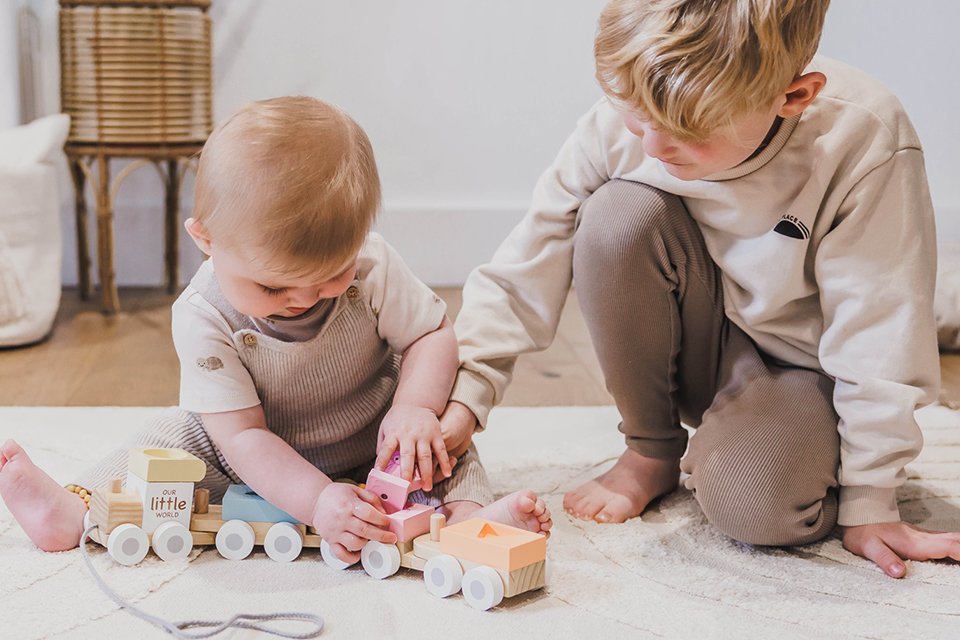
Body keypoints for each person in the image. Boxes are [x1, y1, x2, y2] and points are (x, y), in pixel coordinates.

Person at [437, 0, 960, 577]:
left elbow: (879, 328)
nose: (653, 146)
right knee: (615, 214)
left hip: (807, 371)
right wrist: (465, 395)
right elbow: (528, 260)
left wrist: (869, 499)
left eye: (690, 132)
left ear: (794, 97)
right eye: (637, 116)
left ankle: (788, 448)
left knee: (756, 508)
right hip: (701, 340)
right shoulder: (630, 121)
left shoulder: (863, 139)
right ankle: (650, 450)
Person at [0, 97, 551, 561]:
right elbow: (241, 436)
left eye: (332, 275)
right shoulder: (203, 314)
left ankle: (471, 525)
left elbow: (432, 335)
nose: (305, 298)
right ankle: (75, 511)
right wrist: (316, 502)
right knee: (165, 444)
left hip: (377, 437)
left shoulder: (374, 267)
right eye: (272, 288)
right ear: (206, 240)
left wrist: (414, 409)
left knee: (443, 448)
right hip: (254, 446)